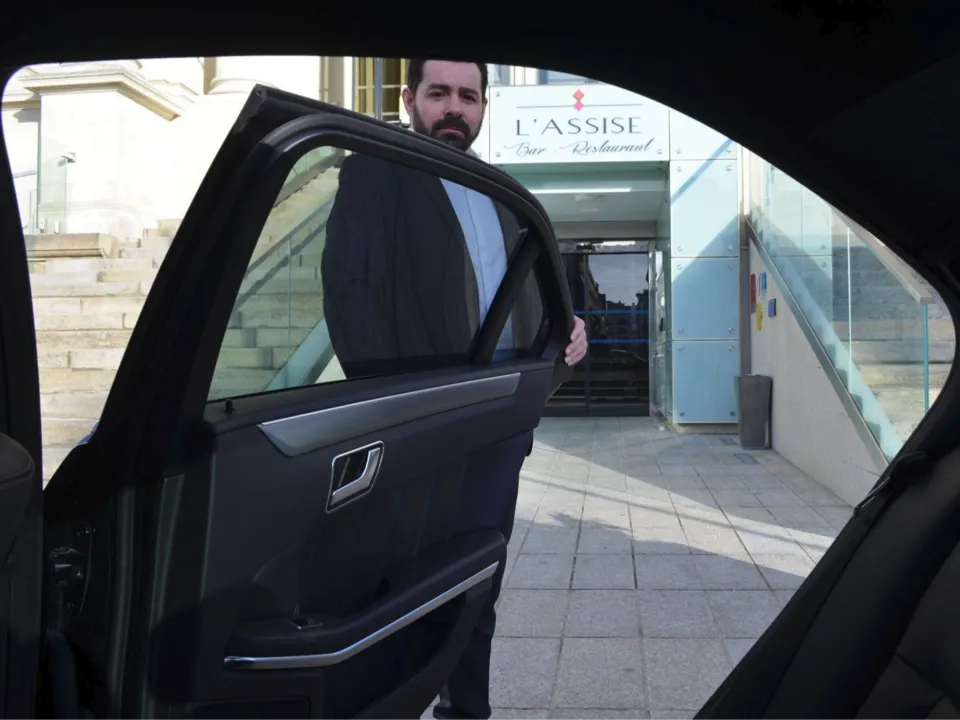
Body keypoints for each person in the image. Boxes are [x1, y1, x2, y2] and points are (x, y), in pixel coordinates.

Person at [321, 58, 587, 720]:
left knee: (478, 585)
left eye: (468, 96)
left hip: (499, 426)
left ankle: (467, 713)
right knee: (405, 594)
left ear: (483, 108)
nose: (453, 108)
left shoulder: (504, 195)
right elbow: (350, 294)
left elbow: (529, 301)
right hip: (423, 427)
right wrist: (397, 413)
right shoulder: (377, 171)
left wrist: (564, 339)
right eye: (438, 93)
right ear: (409, 99)